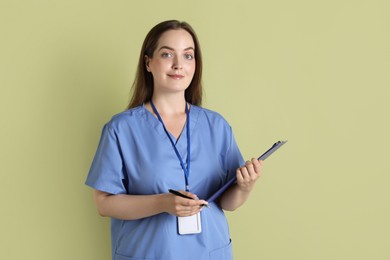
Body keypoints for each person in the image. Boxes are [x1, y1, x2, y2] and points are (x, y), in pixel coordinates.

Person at [85, 20, 263, 260]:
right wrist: (163, 203)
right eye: (167, 54)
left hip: (209, 252)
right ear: (148, 62)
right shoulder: (121, 129)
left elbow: (228, 203)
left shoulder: (216, 126)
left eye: (188, 56)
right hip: (148, 253)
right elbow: (104, 204)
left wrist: (245, 186)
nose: (179, 64)